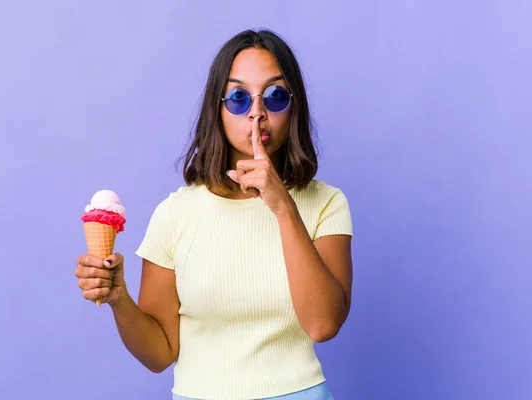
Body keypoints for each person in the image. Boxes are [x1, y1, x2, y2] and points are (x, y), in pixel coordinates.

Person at [74, 29, 353, 400]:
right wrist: (119, 297)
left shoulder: (326, 203)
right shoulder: (175, 213)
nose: (257, 112)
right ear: (217, 110)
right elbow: (160, 354)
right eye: (238, 97)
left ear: (294, 107)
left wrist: (283, 205)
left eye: (275, 96)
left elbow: (322, 324)